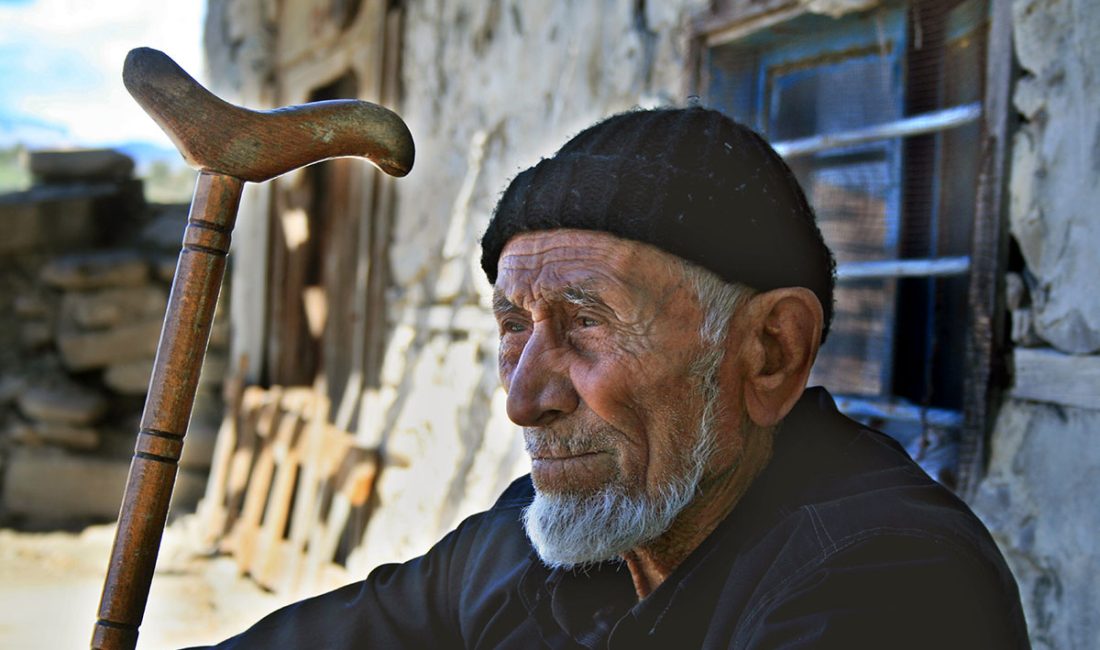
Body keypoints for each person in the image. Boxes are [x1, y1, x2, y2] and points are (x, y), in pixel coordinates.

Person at [193, 107, 1029, 648]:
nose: (524, 397)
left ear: (770, 351)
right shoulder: (551, 535)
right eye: (514, 326)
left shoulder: (889, 581)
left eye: (587, 321)